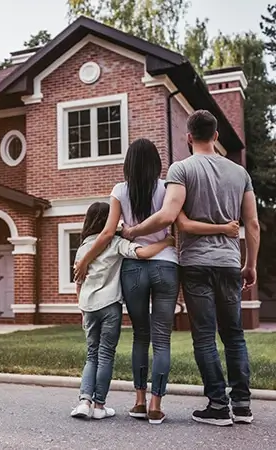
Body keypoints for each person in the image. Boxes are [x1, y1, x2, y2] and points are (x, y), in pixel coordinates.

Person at [74, 138, 238, 424]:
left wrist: (86, 260)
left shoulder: (119, 190)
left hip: (134, 269)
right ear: (157, 164)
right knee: (162, 339)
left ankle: (137, 402)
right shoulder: (167, 187)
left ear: (128, 164)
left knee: (140, 335)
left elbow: (106, 233)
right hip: (166, 266)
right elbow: (179, 222)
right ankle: (155, 406)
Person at [122, 110, 260, 427]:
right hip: (228, 263)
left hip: (196, 264)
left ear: (188, 138)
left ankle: (217, 406)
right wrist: (249, 263)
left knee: (204, 338)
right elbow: (251, 222)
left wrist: (133, 231)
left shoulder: (181, 169)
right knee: (234, 335)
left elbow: (169, 215)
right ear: (215, 136)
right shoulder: (240, 173)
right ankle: (242, 405)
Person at [71, 202, 175, 421]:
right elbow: (144, 253)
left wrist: (81, 306)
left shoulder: (82, 248)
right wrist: (166, 241)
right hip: (110, 307)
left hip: (88, 308)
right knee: (106, 354)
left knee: (92, 355)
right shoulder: (117, 243)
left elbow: (78, 282)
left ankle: (84, 401)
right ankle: (99, 406)